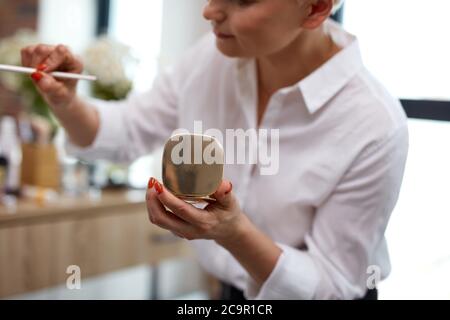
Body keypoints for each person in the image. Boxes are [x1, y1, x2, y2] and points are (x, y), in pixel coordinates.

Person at [21, 0, 409, 300]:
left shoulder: (373, 124)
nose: (209, 10)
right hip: (225, 291)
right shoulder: (209, 58)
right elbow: (128, 131)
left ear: (316, 7)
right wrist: (67, 101)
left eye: (242, 0)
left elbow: (335, 284)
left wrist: (234, 233)